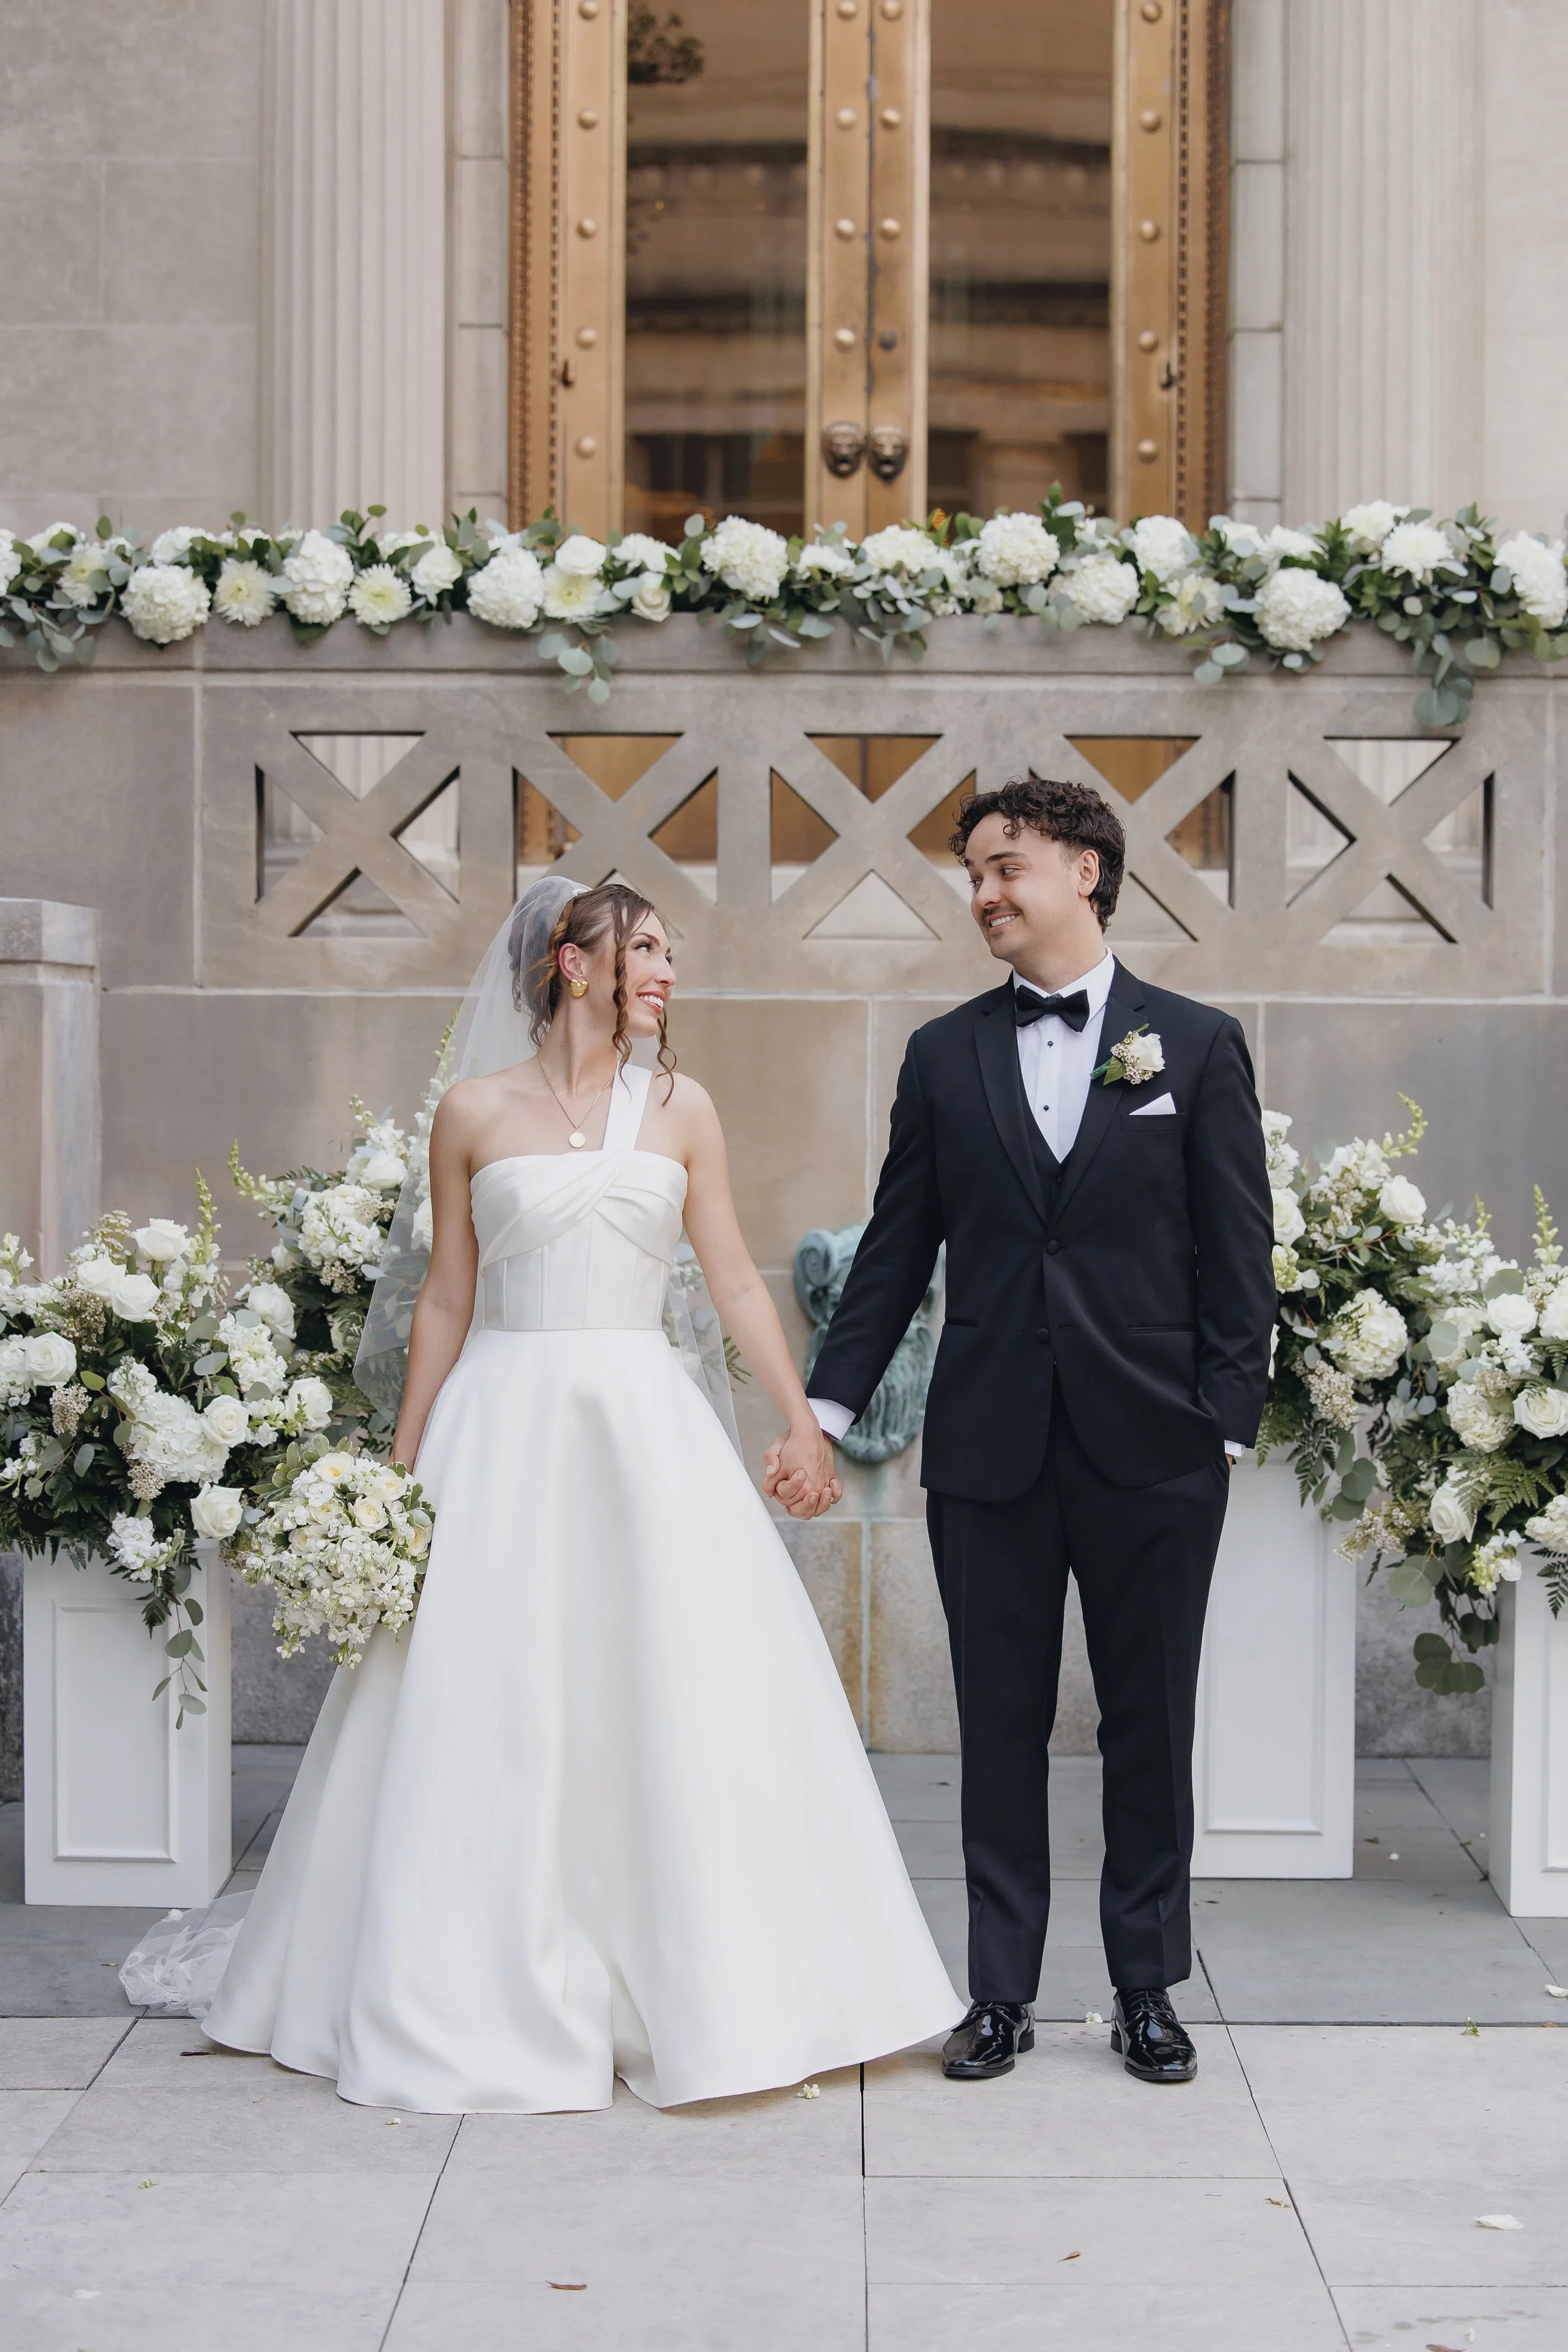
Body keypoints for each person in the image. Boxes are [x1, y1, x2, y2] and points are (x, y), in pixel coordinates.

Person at [198, 876, 958, 2112]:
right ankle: (463, 1979)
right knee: (481, 1704)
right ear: (570, 958)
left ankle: (715, 1983)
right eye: (645, 949)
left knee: (661, 1688)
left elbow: (733, 1284)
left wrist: (798, 1418)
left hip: (638, 1427)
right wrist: (398, 1475)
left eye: (669, 954)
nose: (664, 973)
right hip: (497, 1427)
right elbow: (445, 1297)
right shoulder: (470, 1112)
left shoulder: (681, 1109)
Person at [798, 777, 1274, 2085]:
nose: (984, 894)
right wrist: (824, 1411)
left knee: (1147, 1725)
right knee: (994, 1725)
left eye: (1005, 866)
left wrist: (1221, 1426)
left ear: (1085, 867)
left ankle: (1144, 1989)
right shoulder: (942, 1054)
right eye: (974, 875)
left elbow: (1239, 1257)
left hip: (1157, 1451)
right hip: (990, 1451)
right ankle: (997, 1993)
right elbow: (894, 1253)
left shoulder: (1195, 1044)